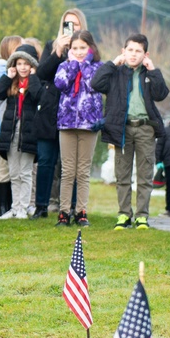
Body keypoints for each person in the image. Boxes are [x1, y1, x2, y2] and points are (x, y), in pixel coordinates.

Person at [91, 33, 169, 230]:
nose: (134, 55)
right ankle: (124, 215)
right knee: (122, 174)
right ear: (123, 51)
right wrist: (112, 63)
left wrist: (153, 70)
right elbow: (96, 84)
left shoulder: (148, 73)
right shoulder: (115, 72)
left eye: (138, 51)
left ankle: (142, 216)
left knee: (144, 174)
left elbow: (161, 94)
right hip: (122, 128)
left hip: (145, 128)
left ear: (145, 54)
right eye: (130, 50)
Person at [35, 10, 86, 218]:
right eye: (67, 23)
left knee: (71, 163)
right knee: (46, 160)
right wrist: (58, 51)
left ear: (82, 26)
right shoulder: (52, 46)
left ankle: (73, 207)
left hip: (75, 112)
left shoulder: (86, 50)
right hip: (51, 110)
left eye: (75, 24)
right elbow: (41, 73)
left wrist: (77, 52)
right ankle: (41, 206)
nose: (71, 28)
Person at [54, 29, 104, 227]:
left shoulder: (98, 67)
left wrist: (86, 64)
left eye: (83, 48)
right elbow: (61, 84)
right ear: (69, 49)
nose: (79, 51)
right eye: (75, 48)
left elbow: (94, 85)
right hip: (66, 124)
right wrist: (74, 63)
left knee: (83, 171)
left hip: (88, 124)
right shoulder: (64, 66)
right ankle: (64, 212)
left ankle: (81, 211)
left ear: (90, 48)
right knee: (67, 171)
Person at [0, 46, 42, 220]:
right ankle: (14, 207)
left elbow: (38, 96)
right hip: (10, 131)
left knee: (25, 172)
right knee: (13, 172)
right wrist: (7, 76)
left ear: (32, 66)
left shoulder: (35, 82)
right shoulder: (11, 83)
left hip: (28, 132)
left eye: (26, 64)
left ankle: (24, 207)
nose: (22, 68)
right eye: (19, 63)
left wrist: (34, 77)